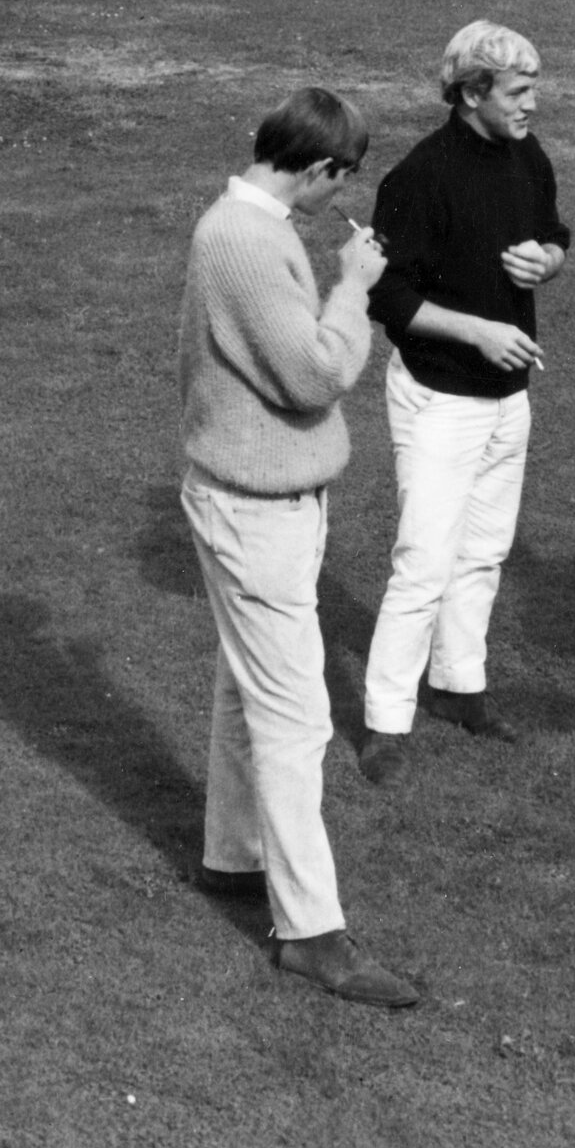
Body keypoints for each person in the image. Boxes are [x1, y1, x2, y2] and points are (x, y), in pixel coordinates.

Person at [179, 86, 416, 1009]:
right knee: (296, 719)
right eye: (340, 180)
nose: (336, 201)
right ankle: (313, 935)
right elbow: (316, 374)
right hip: (253, 511)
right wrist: (351, 288)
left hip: (261, 501)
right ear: (318, 167)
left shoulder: (249, 224)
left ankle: (231, 858)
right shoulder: (242, 239)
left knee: (247, 689)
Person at [361, 21, 572, 777]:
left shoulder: (526, 155)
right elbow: (383, 296)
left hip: (508, 398)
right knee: (423, 560)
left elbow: (553, 233)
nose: (533, 106)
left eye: (534, 89)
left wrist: (544, 261)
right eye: (519, 92)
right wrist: (479, 332)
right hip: (439, 398)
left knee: (482, 554)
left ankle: (457, 686)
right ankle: (385, 719)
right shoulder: (420, 177)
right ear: (471, 91)